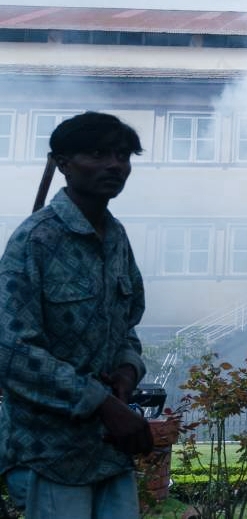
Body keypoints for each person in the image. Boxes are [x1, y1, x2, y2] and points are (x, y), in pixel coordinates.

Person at [0, 111, 154, 518]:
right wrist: (100, 402)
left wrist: (126, 371)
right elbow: (12, 351)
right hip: (49, 451)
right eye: (98, 153)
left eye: (122, 155)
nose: (114, 165)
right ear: (63, 163)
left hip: (108, 448)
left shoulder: (116, 237)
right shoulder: (35, 241)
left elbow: (127, 326)